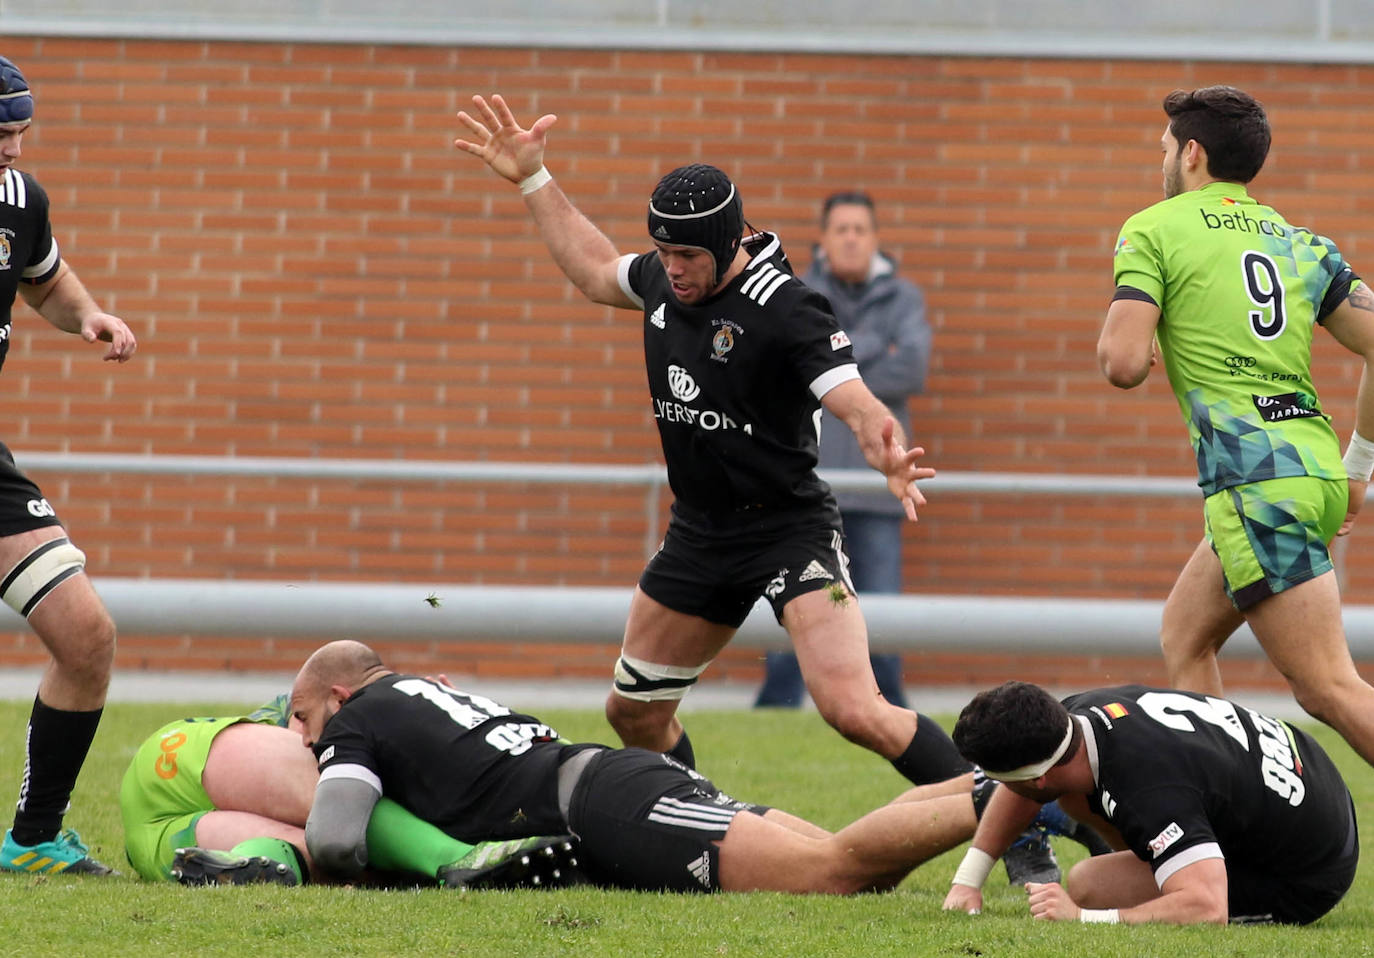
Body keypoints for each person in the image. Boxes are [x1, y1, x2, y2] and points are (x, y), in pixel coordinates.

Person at [452, 93, 971, 800]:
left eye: (688, 254)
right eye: (663, 251)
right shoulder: (665, 284)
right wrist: (535, 180)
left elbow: (850, 394)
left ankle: (1016, 828)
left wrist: (882, 443)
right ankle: (706, 827)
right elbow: (596, 269)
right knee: (633, 712)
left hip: (788, 528)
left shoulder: (787, 306)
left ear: (728, 244)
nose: (673, 269)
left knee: (856, 712)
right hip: (700, 533)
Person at [290, 640, 1083, 894]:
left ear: (336, 693)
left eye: (301, 720)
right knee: (852, 873)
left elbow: (335, 839)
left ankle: (1028, 787)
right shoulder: (429, 692)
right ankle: (1024, 784)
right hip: (612, 784)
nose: (301, 741)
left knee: (831, 871)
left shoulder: (356, 718)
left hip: (610, 804)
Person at [1096, 84, 1374, 768]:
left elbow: (1121, 364)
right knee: (1185, 637)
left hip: (1258, 488)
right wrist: (1359, 465)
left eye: (1164, 147)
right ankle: (1228, 831)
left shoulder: (1152, 228)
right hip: (1309, 472)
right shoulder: (1301, 242)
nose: (1159, 159)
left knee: (1330, 689)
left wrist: (1146, 329)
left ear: (1191, 154)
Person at [0, 55, 138, 877]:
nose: (12, 150)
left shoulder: (20, 200)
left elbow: (42, 282)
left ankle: (34, 839)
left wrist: (88, 314)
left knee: (85, 636)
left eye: (20, 132)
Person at [942, 681, 1358, 926]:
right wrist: (968, 879)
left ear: (1037, 777)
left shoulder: (1150, 790)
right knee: (1076, 805)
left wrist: (1087, 919)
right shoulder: (1075, 716)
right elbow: (1027, 786)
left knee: (1090, 886)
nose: (1001, 790)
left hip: (1312, 869)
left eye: (1001, 780)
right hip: (1312, 773)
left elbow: (1207, 906)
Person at [755, 189, 931, 710]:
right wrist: (875, 347)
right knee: (799, 604)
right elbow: (782, 367)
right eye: (842, 230)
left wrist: (830, 361)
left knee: (881, 612)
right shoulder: (795, 292)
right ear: (824, 240)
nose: (851, 238)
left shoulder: (904, 296)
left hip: (879, 491)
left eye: (861, 230)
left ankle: (890, 709)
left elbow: (913, 367)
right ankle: (778, 709)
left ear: (875, 240)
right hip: (808, 491)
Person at [119, 694, 582, 889]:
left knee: (324, 854)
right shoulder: (324, 719)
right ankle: (461, 858)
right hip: (175, 757)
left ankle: (263, 862)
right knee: (340, 795)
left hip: (155, 844)